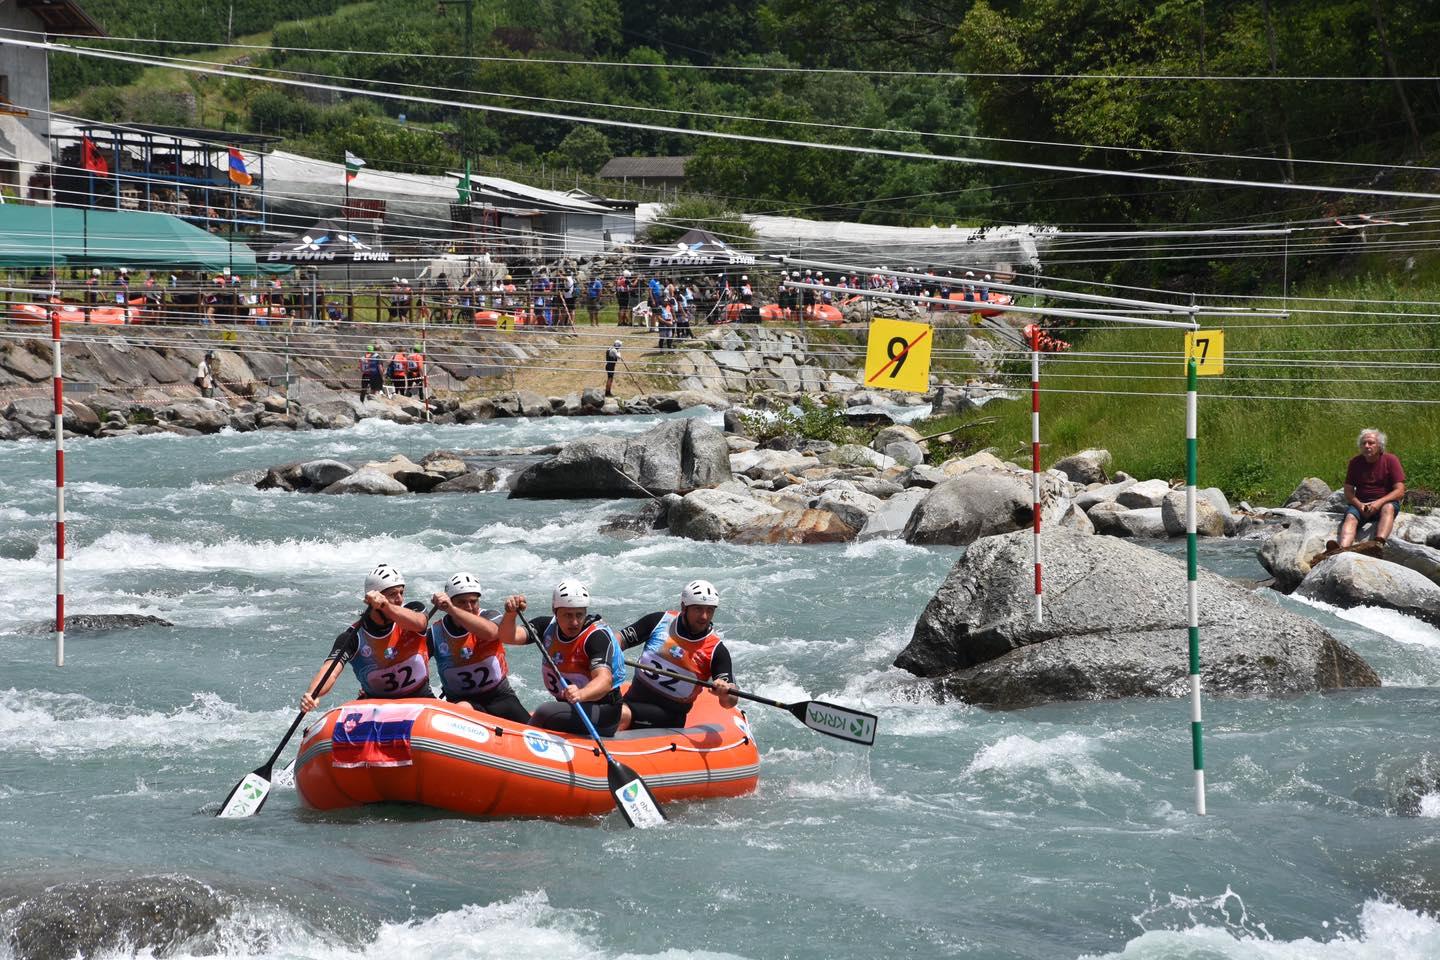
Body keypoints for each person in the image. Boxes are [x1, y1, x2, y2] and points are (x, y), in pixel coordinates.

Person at [299, 564, 434, 713]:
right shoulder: (353, 637)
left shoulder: (413, 611)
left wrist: (385, 605)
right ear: (371, 599)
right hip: (376, 707)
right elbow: (330, 671)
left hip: (421, 699)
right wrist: (313, 694)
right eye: (392, 594)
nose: (400, 599)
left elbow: (420, 623)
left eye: (401, 592)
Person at [618, 579, 738, 731]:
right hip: (631, 700)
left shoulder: (717, 651)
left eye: (710, 610)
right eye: (698, 609)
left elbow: (730, 702)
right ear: (684, 607)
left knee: (619, 716)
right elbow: (619, 640)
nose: (704, 617)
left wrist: (725, 691)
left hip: (668, 717)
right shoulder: (659, 622)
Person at [428, 573, 532, 723]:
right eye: (462, 602)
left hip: (500, 697)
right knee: (462, 708)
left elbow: (491, 633)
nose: (469, 607)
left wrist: (452, 609)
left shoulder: (491, 616)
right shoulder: (435, 633)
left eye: (473, 601)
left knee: (530, 731)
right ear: (449, 602)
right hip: (462, 702)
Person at [527, 579, 626, 737]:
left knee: (545, 712)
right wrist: (511, 614)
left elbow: (604, 680)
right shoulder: (547, 627)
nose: (574, 622)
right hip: (576, 708)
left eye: (579, 615)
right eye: (568, 615)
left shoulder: (596, 637)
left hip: (603, 712)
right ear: (555, 612)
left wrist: (581, 694)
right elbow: (508, 637)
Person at [1335, 428, 1406, 549]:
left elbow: (1400, 491)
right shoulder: (1355, 462)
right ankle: (1342, 549)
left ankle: (1378, 544)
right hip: (1362, 503)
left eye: (1371, 443)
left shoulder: (1390, 460)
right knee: (1351, 517)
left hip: (1385, 502)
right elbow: (1348, 491)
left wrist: (1378, 503)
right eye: (1364, 443)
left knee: (1388, 508)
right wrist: (1359, 505)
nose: (1367, 446)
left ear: (1380, 445)